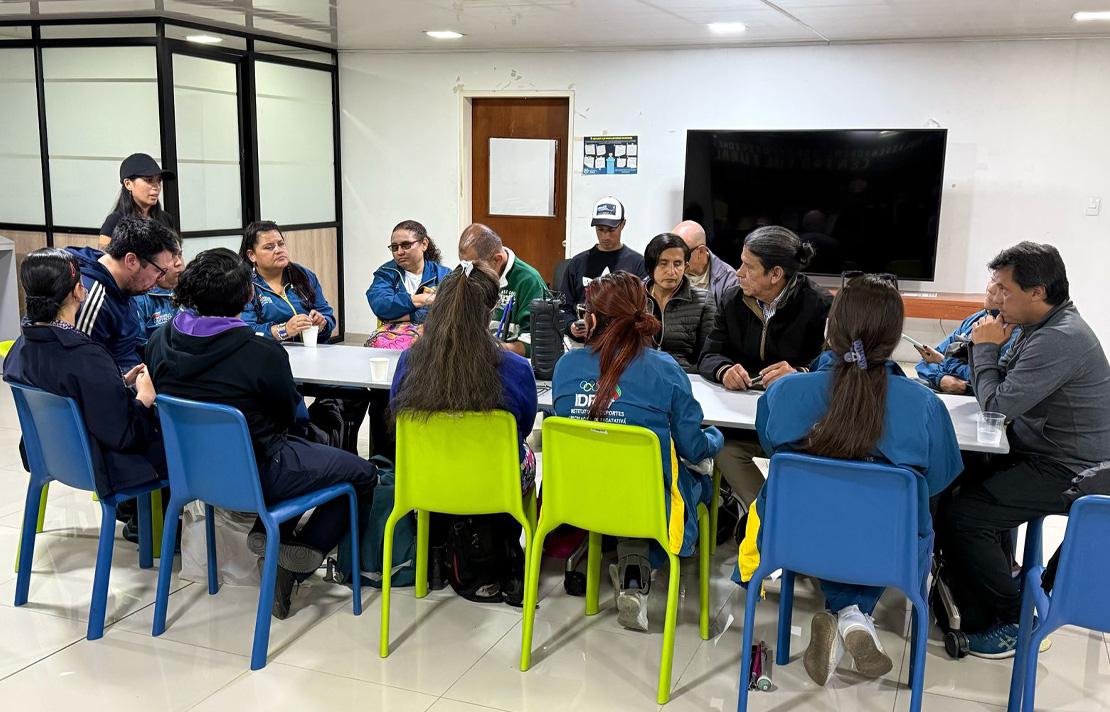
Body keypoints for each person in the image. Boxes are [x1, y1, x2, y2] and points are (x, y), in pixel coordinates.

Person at [740, 275, 963, 686]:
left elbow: (772, 448)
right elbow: (938, 481)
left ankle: (847, 614)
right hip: (885, 548)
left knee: (828, 518)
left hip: (794, 541)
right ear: (894, 335)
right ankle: (852, 615)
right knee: (889, 524)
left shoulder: (785, 393)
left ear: (831, 327)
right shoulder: (924, 406)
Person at [144, 248, 377, 620]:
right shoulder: (261, 353)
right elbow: (289, 417)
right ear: (248, 295)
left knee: (305, 447)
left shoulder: (160, 340)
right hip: (261, 473)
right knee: (362, 473)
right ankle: (297, 557)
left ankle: (272, 536)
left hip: (189, 475)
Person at [936, 242, 1110, 658]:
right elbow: (999, 392)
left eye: (1004, 289)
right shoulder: (1039, 327)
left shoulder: (1060, 338)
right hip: (1037, 448)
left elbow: (996, 406)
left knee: (967, 515)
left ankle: (1019, 618)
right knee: (952, 479)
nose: (995, 298)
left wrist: (985, 348)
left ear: (1037, 292)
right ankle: (972, 599)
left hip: (1071, 467)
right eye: (993, 286)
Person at [552, 271, 723, 631]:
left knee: (628, 477)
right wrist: (717, 439)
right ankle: (642, 568)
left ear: (592, 319)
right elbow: (693, 446)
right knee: (701, 484)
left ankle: (633, 569)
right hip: (648, 503)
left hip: (580, 500)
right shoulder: (664, 369)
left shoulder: (566, 367)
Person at [390, 262, 538, 604]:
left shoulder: (410, 361)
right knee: (527, 455)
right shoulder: (514, 368)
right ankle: (510, 555)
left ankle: (442, 547)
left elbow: (398, 413)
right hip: (495, 482)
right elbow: (525, 427)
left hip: (427, 480)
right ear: (490, 311)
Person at [3, 248, 164, 499]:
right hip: (98, 465)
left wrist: (116, 383)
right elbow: (125, 435)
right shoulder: (84, 355)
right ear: (79, 291)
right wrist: (144, 397)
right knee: (177, 447)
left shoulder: (20, 347)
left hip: (47, 455)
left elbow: (70, 390)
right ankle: (165, 533)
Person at [697, 226, 832, 511]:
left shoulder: (820, 305)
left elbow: (835, 369)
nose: (738, 272)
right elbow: (709, 354)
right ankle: (767, 517)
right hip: (743, 417)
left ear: (776, 274)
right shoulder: (733, 299)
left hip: (799, 424)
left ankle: (786, 520)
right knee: (725, 448)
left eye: (748, 266)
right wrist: (724, 370)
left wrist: (800, 376)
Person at [239, 220, 368, 454]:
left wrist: (322, 323)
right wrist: (283, 330)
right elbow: (246, 329)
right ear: (252, 254)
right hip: (273, 363)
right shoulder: (246, 285)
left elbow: (328, 316)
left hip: (314, 357)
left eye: (281, 243)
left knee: (355, 394)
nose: (278, 250)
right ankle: (310, 446)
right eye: (269, 247)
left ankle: (341, 449)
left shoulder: (303, 276)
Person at [364, 220, 451, 460]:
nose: (399, 252)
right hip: (391, 354)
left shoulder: (444, 275)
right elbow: (380, 306)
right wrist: (422, 301)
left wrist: (402, 312)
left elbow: (449, 312)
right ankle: (384, 461)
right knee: (383, 399)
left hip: (430, 354)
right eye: (394, 247)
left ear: (423, 244)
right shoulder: (386, 273)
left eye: (405, 245)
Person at [72, 215, 181, 372]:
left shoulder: (124, 286)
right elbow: (84, 371)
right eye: (158, 271)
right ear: (131, 260)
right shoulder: (92, 299)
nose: (159, 280)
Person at [556, 196, 647, 340]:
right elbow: (564, 306)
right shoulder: (578, 263)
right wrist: (570, 326)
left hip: (622, 342)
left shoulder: (638, 263)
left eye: (611, 230)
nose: (605, 236)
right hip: (583, 342)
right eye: (600, 230)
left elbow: (642, 310)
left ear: (623, 224)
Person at [914, 281, 1022, 394]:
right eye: (992, 279)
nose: (990, 287)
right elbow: (925, 363)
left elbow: (990, 379)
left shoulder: (1017, 334)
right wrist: (940, 379)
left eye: (1001, 286)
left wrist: (942, 361)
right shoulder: (976, 318)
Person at [457, 223, 547, 357]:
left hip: (508, 362)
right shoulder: (469, 272)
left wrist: (489, 349)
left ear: (497, 260)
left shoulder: (530, 282)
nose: (467, 274)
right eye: (464, 265)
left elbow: (534, 344)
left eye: (475, 268)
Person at [642, 232, 716, 373]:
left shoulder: (703, 300)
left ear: (686, 267)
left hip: (685, 377)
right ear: (651, 266)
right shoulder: (634, 297)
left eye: (677, 264)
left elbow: (709, 356)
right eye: (663, 264)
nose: (671, 271)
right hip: (640, 374)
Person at [99, 153, 177, 247]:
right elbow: (103, 259)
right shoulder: (114, 221)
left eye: (159, 180)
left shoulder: (166, 219)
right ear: (128, 184)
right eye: (149, 180)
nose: (156, 186)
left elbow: (177, 256)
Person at [132, 237, 185, 351]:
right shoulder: (139, 298)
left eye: (180, 255)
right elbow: (140, 345)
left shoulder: (190, 290)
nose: (179, 262)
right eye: (172, 257)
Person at [671, 219, 738, 307]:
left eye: (682, 254)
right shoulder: (666, 270)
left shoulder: (728, 281)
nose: (674, 261)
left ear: (701, 251)